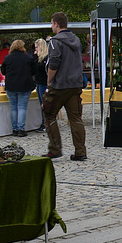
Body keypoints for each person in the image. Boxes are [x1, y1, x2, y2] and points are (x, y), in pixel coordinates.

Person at [41, 12, 86, 161]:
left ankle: (55, 149)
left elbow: (54, 62)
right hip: (75, 85)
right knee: (76, 118)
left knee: (48, 114)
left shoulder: (55, 41)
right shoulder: (76, 40)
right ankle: (80, 151)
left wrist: (49, 80)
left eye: (52, 23)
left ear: (56, 24)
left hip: (59, 86)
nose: (51, 26)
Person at [1, 40, 35, 137]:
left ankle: (15, 129)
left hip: (11, 85)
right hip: (24, 85)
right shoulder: (28, 58)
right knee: (22, 107)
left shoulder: (7, 58)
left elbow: (3, 71)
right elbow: (33, 71)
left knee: (13, 108)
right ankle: (21, 128)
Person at [34, 38, 48, 132]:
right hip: (39, 82)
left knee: (45, 104)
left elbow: (42, 69)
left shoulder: (46, 58)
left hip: (44, 83)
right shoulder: (39, 58)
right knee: (41, 104)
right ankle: (44, 122)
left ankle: (46, 123)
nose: (36, 49)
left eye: (37, 47)